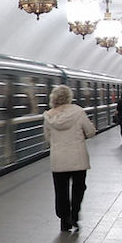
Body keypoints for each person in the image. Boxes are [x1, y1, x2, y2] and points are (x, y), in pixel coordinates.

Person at [43, 85, 96, 231]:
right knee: (79, 188)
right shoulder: (78, 112)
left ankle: (64, 220)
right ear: (69, 97)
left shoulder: (48, 116)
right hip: (78, 159)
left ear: (53, 98)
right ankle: (74, 214)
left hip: (58, 159)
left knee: (61, 191)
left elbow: (47, 138)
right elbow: (90, 132)